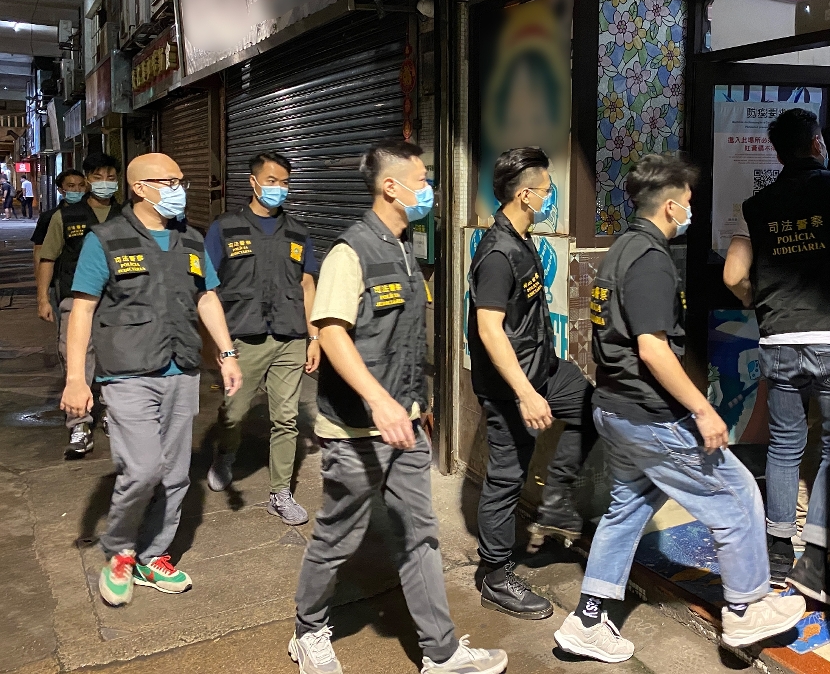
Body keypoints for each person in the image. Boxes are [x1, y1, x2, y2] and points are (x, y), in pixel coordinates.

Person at [554, 154, 806, 662]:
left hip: (616, 410)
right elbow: (652, 348)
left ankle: (588, 620)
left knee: (627, 509)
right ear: (671, 206)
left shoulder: (620, 249)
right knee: (737, 496)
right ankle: (746, 609)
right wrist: (703, 410)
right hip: (649, 416)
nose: (691, 210)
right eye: (688, 202)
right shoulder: (650, 260)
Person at [290, 140, 506, 674]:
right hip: (355, 432)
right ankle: (308, 630)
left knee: (420, 535)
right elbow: (331, 333)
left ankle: (441, 652)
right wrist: (379, 401)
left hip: (405, 426)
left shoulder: (406, 248)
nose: (429, 189)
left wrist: (415, 403)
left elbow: (400, 341)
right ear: (391, 186)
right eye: (423, 179)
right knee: (337, 536)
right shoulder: (351, 251)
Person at [58, 152, 242, 608]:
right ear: (140, 188)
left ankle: (153, 555)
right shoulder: (106, 240)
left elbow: (207, 298)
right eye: (170, 182)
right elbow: (82, 310)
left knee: (176, 475)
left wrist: (226, 353)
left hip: (181, 370)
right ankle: (120, 549)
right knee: (141, 470)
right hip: (127, 374)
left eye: (181, 181)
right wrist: (76, 378)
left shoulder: (191, 239)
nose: (180, 189)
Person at [722, 109, 830, 607]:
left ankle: (779, 551)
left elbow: (733, 275)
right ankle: (816, 562)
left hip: (778, 339)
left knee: (784, 447)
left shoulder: (755, 205)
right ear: (817, 145)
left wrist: (761, 303)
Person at [468, 147, 597, 619]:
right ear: (525, 195)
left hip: (544, 368)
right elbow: (488, 329)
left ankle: (557, 502)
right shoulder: (498, 253)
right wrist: (525, 393)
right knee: (507, 478)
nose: (550, 195)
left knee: (591, 406)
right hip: (512, 385)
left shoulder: (520, 239)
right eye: (546, 189)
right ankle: (495, 573)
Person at [205, 152, 320, 526]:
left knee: (286, 418)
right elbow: (207, 288)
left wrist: (314, 337)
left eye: (284, 182)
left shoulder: (298, 232)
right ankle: (225, 453)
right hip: (244, 337)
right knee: (234, 413)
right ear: (253, 182)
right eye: (272, 181)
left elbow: (307, 285)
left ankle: (280, 493)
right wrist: (217, 345)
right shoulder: (225, 228)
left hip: (290, 337)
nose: (279, 188)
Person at [36, 153, 124, 459]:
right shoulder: (66, 216)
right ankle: (79, 424)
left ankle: (112, 412)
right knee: (77, 362)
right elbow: (48, 257)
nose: (105, 183)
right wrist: (43, 298)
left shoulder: (128, 214)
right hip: (76, 299)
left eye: (110, 177)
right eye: (98, 177)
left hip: (118, 300)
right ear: (87, 180)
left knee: (116, 359)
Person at [32, 170, 86, 270]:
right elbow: (39, 250)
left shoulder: (93, 212)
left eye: (81, 185)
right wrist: (40, 275)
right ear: (61, 190)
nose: (77, 190)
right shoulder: (49, 216)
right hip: (62, 272)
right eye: (71, 186)